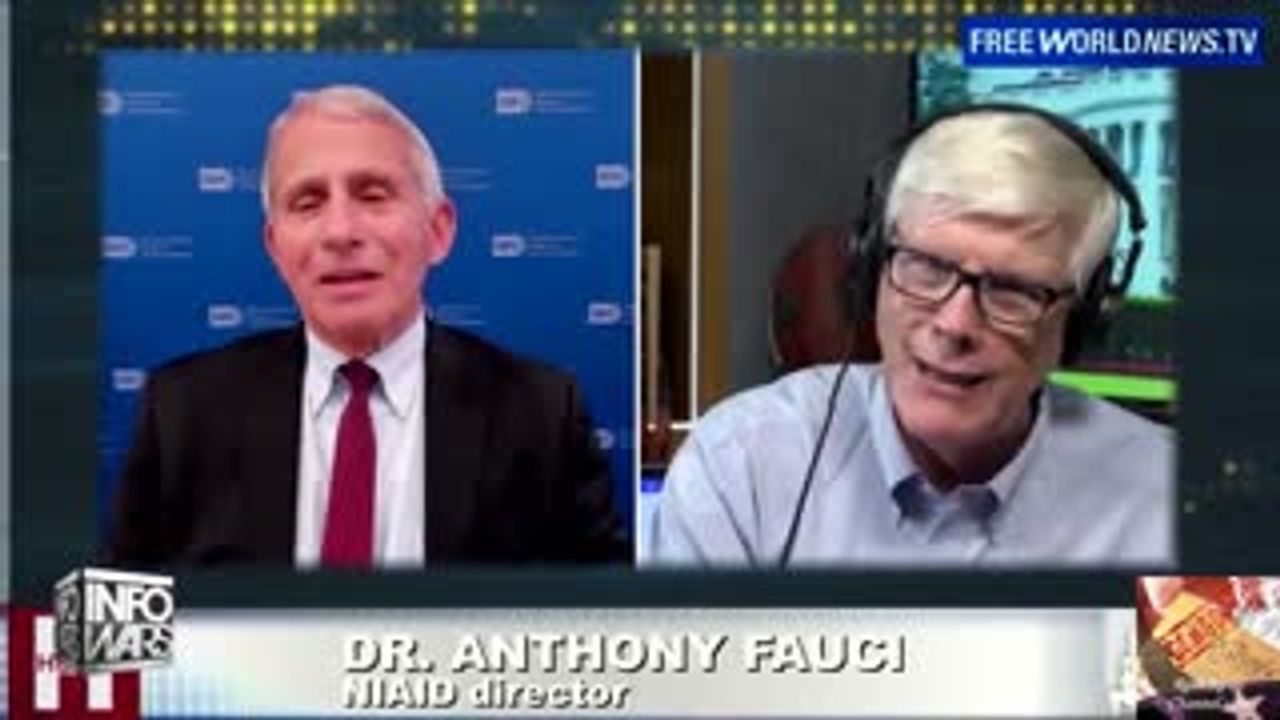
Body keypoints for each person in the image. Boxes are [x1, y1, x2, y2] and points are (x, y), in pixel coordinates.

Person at [108, 85, 628, 568]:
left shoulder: (542, 412)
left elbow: (606, 620)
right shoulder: (182, 410)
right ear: (276, 248)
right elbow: (117, 625)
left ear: (438, 231)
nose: (340, 232)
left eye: (373, 195)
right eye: (308, 203)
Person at [646, 105, 1174, 568]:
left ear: (1081, 317)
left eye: (1012, 289)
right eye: (926, 267)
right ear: (870, 268)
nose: (955, 324)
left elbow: (1201, 659)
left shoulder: (1168, 503)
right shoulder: (742, 465)